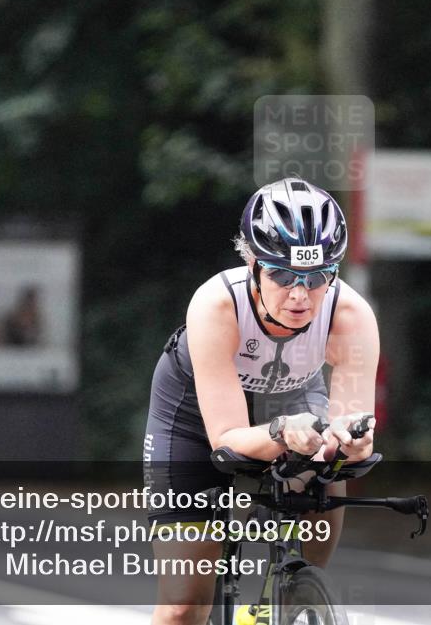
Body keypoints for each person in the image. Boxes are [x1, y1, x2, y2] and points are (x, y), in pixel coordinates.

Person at [143, 178, 380, 625]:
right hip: (195, 415)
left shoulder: (350, 315)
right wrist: (279, 432)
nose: (299, 294)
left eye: (317, 278)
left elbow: (357, 428)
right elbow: (227, 436)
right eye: (283, 274)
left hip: (295, 399)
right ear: (252, 264)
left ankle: (284, 601)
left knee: (329, 472)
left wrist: (345, 440)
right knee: (181, 606)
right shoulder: (216, 306)